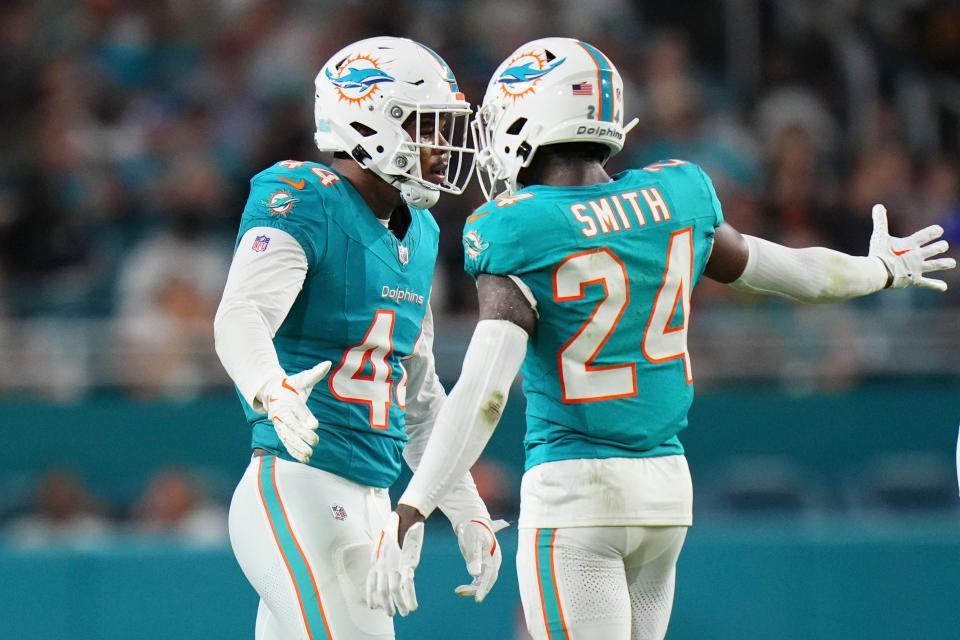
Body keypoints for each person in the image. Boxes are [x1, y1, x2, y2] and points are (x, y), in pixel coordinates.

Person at [368, 38, 956, 639]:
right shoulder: (674, 196)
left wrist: (414, 504)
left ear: (528, 120)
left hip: (575, 493)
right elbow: (787, 270)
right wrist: (879, 269)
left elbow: (485, 392)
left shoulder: (514, 226)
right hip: (665, 495)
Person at [214, 36, 504, 640]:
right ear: (373, 122)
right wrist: (271, 388)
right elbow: (240, 316)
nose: (441, 147)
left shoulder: (420, 231)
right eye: (427, 127)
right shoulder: (304, 197)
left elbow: (421, 399)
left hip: (374, 499)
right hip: (299, 485)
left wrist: (467, 508)